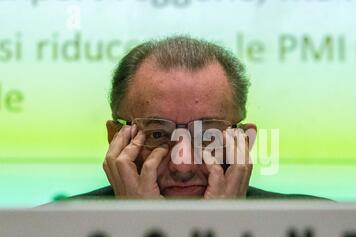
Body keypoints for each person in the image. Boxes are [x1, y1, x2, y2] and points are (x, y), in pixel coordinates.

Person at [70, 36, 328, 200]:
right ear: (116, 138)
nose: (183, 166)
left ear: (244, 142)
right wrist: (137, 227)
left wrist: (223, 228)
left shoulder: (319, 230)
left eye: (208, 137)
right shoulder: (47, 233)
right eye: (158, 135)